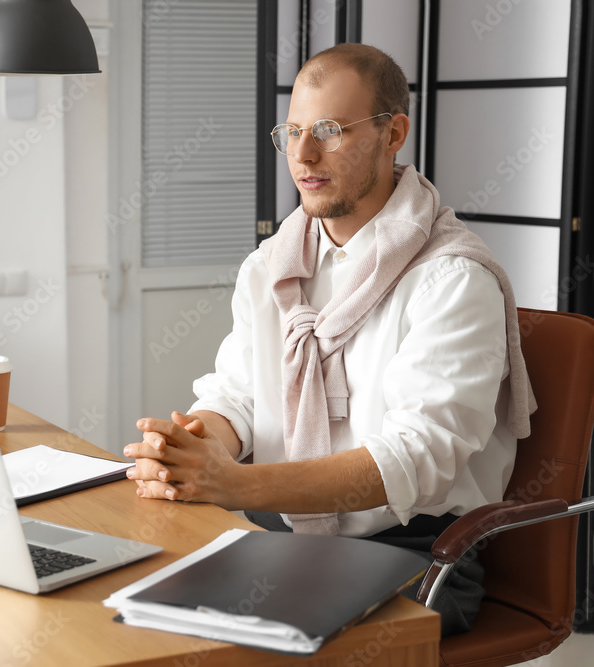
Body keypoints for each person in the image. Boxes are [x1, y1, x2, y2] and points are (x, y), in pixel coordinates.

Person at [122, 43, 536, 636]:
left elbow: (419, 456)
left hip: (418, 558)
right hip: (277, 539)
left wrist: (234, 482)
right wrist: (192, 447)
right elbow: (238, 393)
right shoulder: (272, 264)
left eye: (329, 131)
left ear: (394, 133)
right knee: (133, 608)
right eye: (290, 133)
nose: (303, 156)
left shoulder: (453, 278)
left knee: (222, 641)